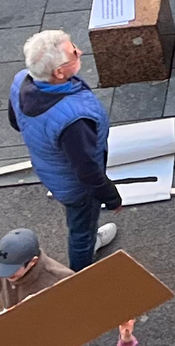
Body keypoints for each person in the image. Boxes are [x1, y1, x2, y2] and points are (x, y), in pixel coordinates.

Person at [6, 29, 121, 268]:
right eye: (73, 53)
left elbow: (16, 122)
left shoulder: (21, 81)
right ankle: (81, 272)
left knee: (80, 223)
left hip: (51, 171)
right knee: (81, 228)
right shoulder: (75, 119)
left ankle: (88, 243)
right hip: (76, 187)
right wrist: (111, 197)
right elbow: (87, 169)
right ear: (58, 73)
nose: (80, 51)